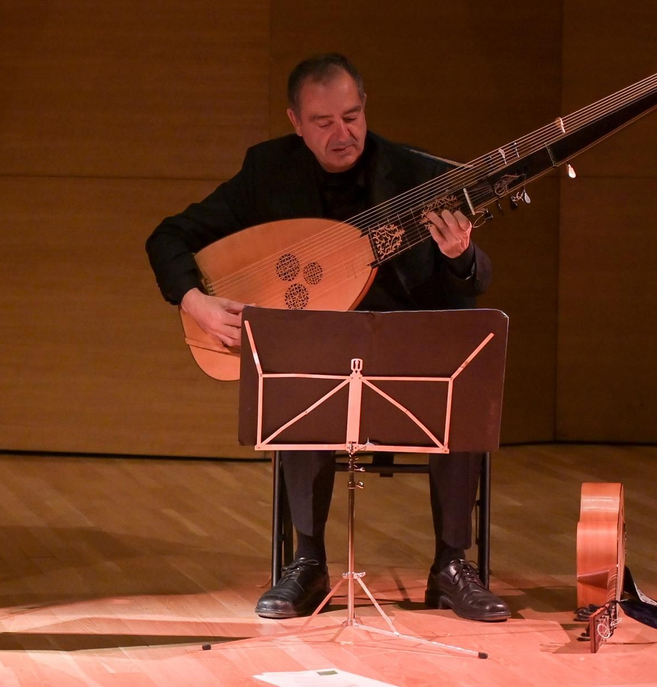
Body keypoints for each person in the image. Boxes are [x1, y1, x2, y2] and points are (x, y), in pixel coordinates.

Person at [145, 53, 510, 623]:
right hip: (325, 360)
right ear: (295, 121)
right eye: (324, 122)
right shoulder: (268, 172)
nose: (343, 133)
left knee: (463, 366)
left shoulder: (413, 175)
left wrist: (460, 254)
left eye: (353, 116)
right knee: (298, 365)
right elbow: (168, 236)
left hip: (406, 356)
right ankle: (308, 564)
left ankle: (451, 567)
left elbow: (474, 280)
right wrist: (195, 300)